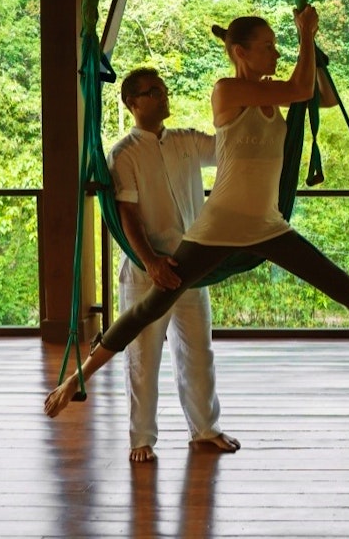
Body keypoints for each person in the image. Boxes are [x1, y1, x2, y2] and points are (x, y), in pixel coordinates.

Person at [46, 5, 349, 420]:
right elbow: (299, 89)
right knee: (150, 307)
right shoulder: (227, 90)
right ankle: (75, 379)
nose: (277, 52)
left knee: (340, 284)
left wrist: (316, 50)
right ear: (241, 53)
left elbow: (318, 94)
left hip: (267, 223)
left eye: (279, 45)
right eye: (269, 46)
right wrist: (305, 35)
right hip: (221, 225)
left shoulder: (276, 90)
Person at [107, 67, 240, 461]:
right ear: (132, 104)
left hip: (190, 266)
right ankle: (141, 439)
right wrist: (150, 262)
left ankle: (205, 429)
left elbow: (227, 149)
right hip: (145, 271)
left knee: (198, 350)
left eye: (163, 89)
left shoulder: (184, 141)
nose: (163, 96)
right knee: (143, 357)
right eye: (152, 92)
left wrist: (246, 100)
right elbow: (127, 215)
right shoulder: (123, 154)